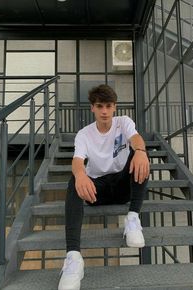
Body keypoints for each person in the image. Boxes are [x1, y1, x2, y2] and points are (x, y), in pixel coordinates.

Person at [58, 84, 150, 290]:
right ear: (92, 108)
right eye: (100, 106)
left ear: (115, 107)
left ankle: (133, 218)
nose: (104, 111)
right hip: (96, 190)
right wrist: (80, 174)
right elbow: (77, 159)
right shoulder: (84, 134)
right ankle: (73, 258)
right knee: (74, 180)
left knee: (141, 155)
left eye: (109, 106)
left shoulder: (123, 122)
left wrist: (141, 150)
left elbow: (135, 138)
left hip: (122, 185)